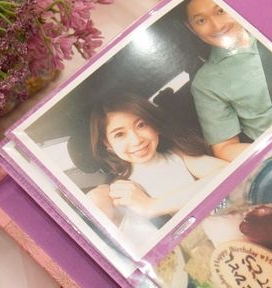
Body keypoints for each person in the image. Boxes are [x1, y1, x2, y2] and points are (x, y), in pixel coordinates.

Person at [184, 0, 272, 161]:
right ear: (191, 28)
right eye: (201, 20)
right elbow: (224, 147)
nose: (217, 25)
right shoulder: (206, 82)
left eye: (220, 11)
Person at [86, 93, 228, 237]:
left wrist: (151, 206)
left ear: (154, 125)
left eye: (141, 125)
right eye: (119, 134)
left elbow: (226, 173)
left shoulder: (179, 155)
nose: (136, 141)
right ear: (107, 143)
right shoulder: (117, 191)